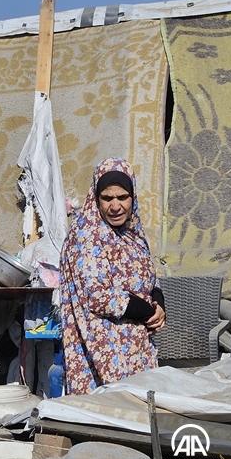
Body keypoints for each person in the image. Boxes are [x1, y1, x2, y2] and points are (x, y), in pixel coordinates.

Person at [59, 157, 165, 395]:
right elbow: (98, 296)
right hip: (104, 353)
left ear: (133, 197)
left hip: (137, 348)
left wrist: (158, 302)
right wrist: (148, 311)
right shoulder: (87, 235)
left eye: (122, 197)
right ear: (96, 199)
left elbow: (149, 276)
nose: (115, 206)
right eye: (107, 198)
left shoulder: (132, 234)